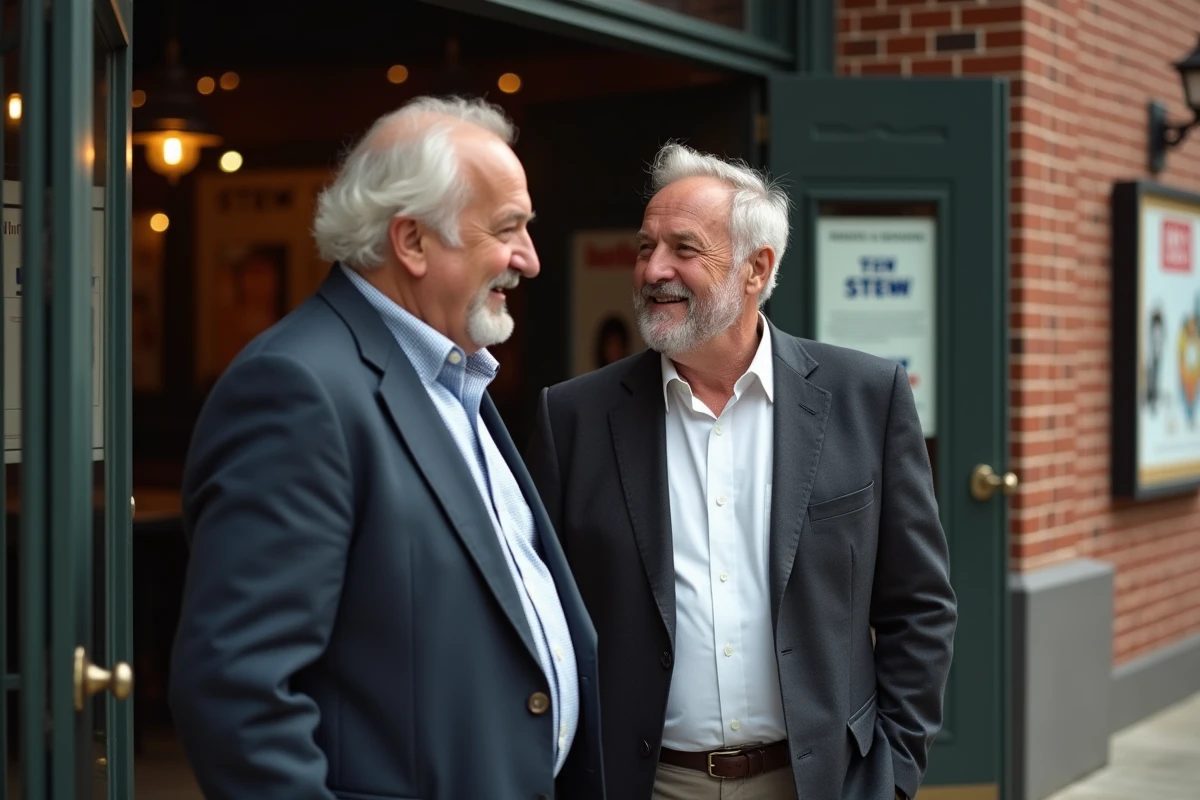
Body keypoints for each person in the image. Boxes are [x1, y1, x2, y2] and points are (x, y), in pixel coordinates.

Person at [170, 96, 604, 800]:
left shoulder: (456, 379)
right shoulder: (297, 389)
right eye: (508, 228)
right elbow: (238, 695)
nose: (528, 258)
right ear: (412, 242)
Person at [525, 143, 956, 800]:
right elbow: (539, 620)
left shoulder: (868, 397)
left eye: (683, 249)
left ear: (757, 269)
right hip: (646, 783)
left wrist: (891, 774)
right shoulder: (573, 417)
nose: (651, 270)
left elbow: (919, 607)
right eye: (645, 247)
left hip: (818, 783)